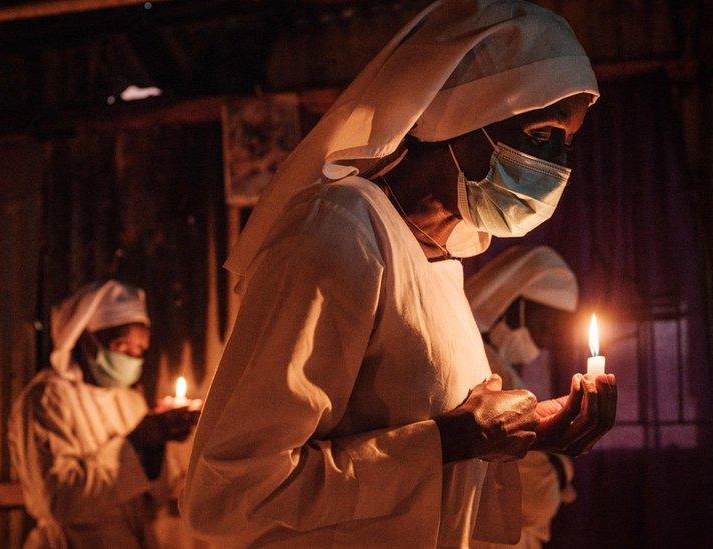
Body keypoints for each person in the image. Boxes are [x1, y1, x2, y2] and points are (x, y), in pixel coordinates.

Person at [182, 1, 618, 547]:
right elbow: (230, 492)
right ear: (464, 114)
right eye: (540, 134)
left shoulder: (439, 259)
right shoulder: (339, 233)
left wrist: (520, 438)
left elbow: (429, 469)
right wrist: (453, 441)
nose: (558, 165)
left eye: (567, 143)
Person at [9, 279, 200, 548]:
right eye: (123, 347)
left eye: (140, 351)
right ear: (87, 339)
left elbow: (156, 496)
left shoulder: (129, 399)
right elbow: (57, 500)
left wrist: (160, 441)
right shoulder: (47, 399)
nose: (132, 358)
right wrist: (136, 443)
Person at [465, 245, 582, 549]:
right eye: (544, 327)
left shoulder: (498, 363)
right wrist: (559, 468)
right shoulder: (475, 361)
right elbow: (536, 496)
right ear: (512, 300)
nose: (543, 343)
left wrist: (555, 464)